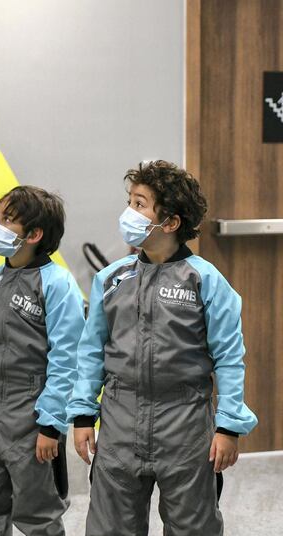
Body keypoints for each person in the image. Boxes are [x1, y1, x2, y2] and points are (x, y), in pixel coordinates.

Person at [66, 160, 258, 535]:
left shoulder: (206, 281)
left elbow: (230, 358)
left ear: (169, 223)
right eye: (130, 201)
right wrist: (83, 414)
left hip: (185, 426)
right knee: (110, 527)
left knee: (192, 527)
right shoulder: (111, 279)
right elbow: (90, 352)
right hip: (120, 423)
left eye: (140, 204)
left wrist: (229, 426)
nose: (128, 213)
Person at [0, 185, 85, 536]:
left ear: (34, 234)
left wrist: (50, 425)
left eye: (8, 220)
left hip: (30, 412)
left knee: (37, 515)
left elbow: (67, 361)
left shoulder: (57, 285)